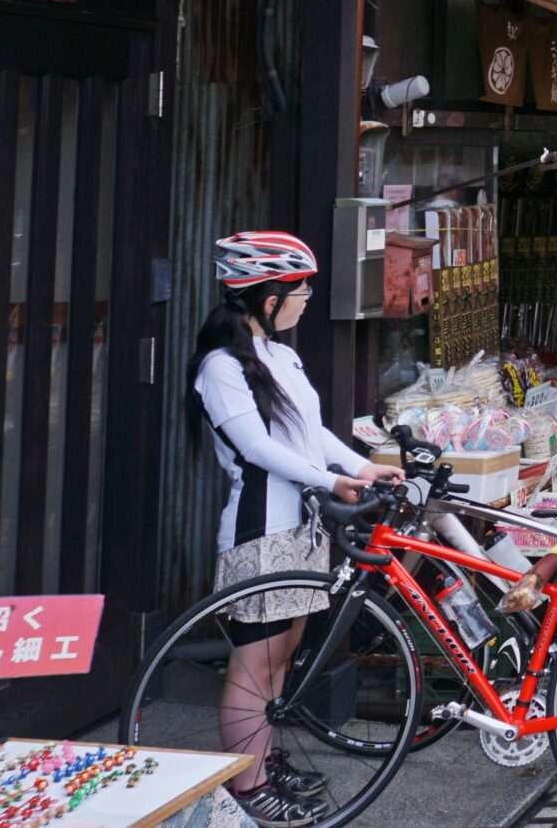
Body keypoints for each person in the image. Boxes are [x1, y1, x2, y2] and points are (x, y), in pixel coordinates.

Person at [192, 231, 398, 824]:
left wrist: (359, 466)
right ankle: (247, 788)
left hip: (303, 529)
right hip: (261, 532)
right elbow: (255, 447)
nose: (307, 296)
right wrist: (332, 482)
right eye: (298, 287)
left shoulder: (280, 355)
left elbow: (311, 432)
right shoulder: (221, 367)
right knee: (254, 666)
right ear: (265, 295)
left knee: (282, 658)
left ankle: (259, 760)